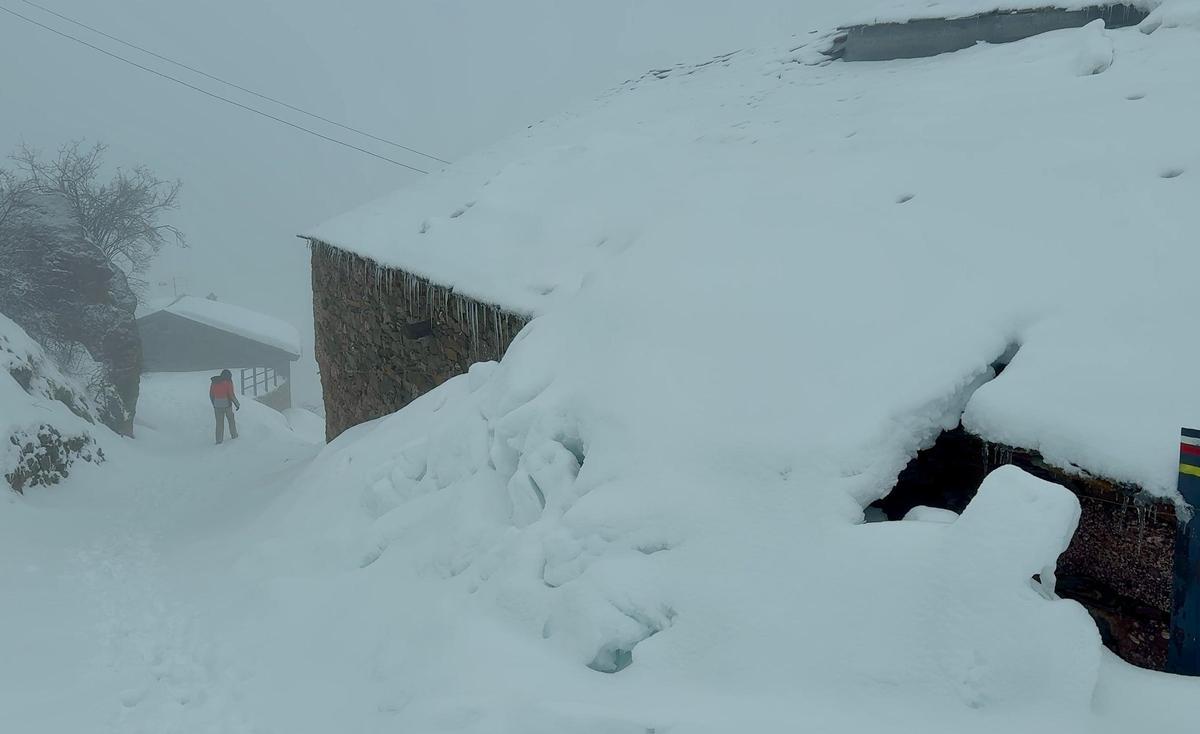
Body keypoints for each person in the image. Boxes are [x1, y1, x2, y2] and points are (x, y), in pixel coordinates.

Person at [209, 369, 240, 444]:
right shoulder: (228, 382)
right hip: (227, 405)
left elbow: (211, 394)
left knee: (219, 423)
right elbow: (231, 395)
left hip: (217, 406)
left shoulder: (214, 382)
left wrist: (214, 403)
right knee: (231, 420)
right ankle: (234, 435)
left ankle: (219, 440)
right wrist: (237, 404)